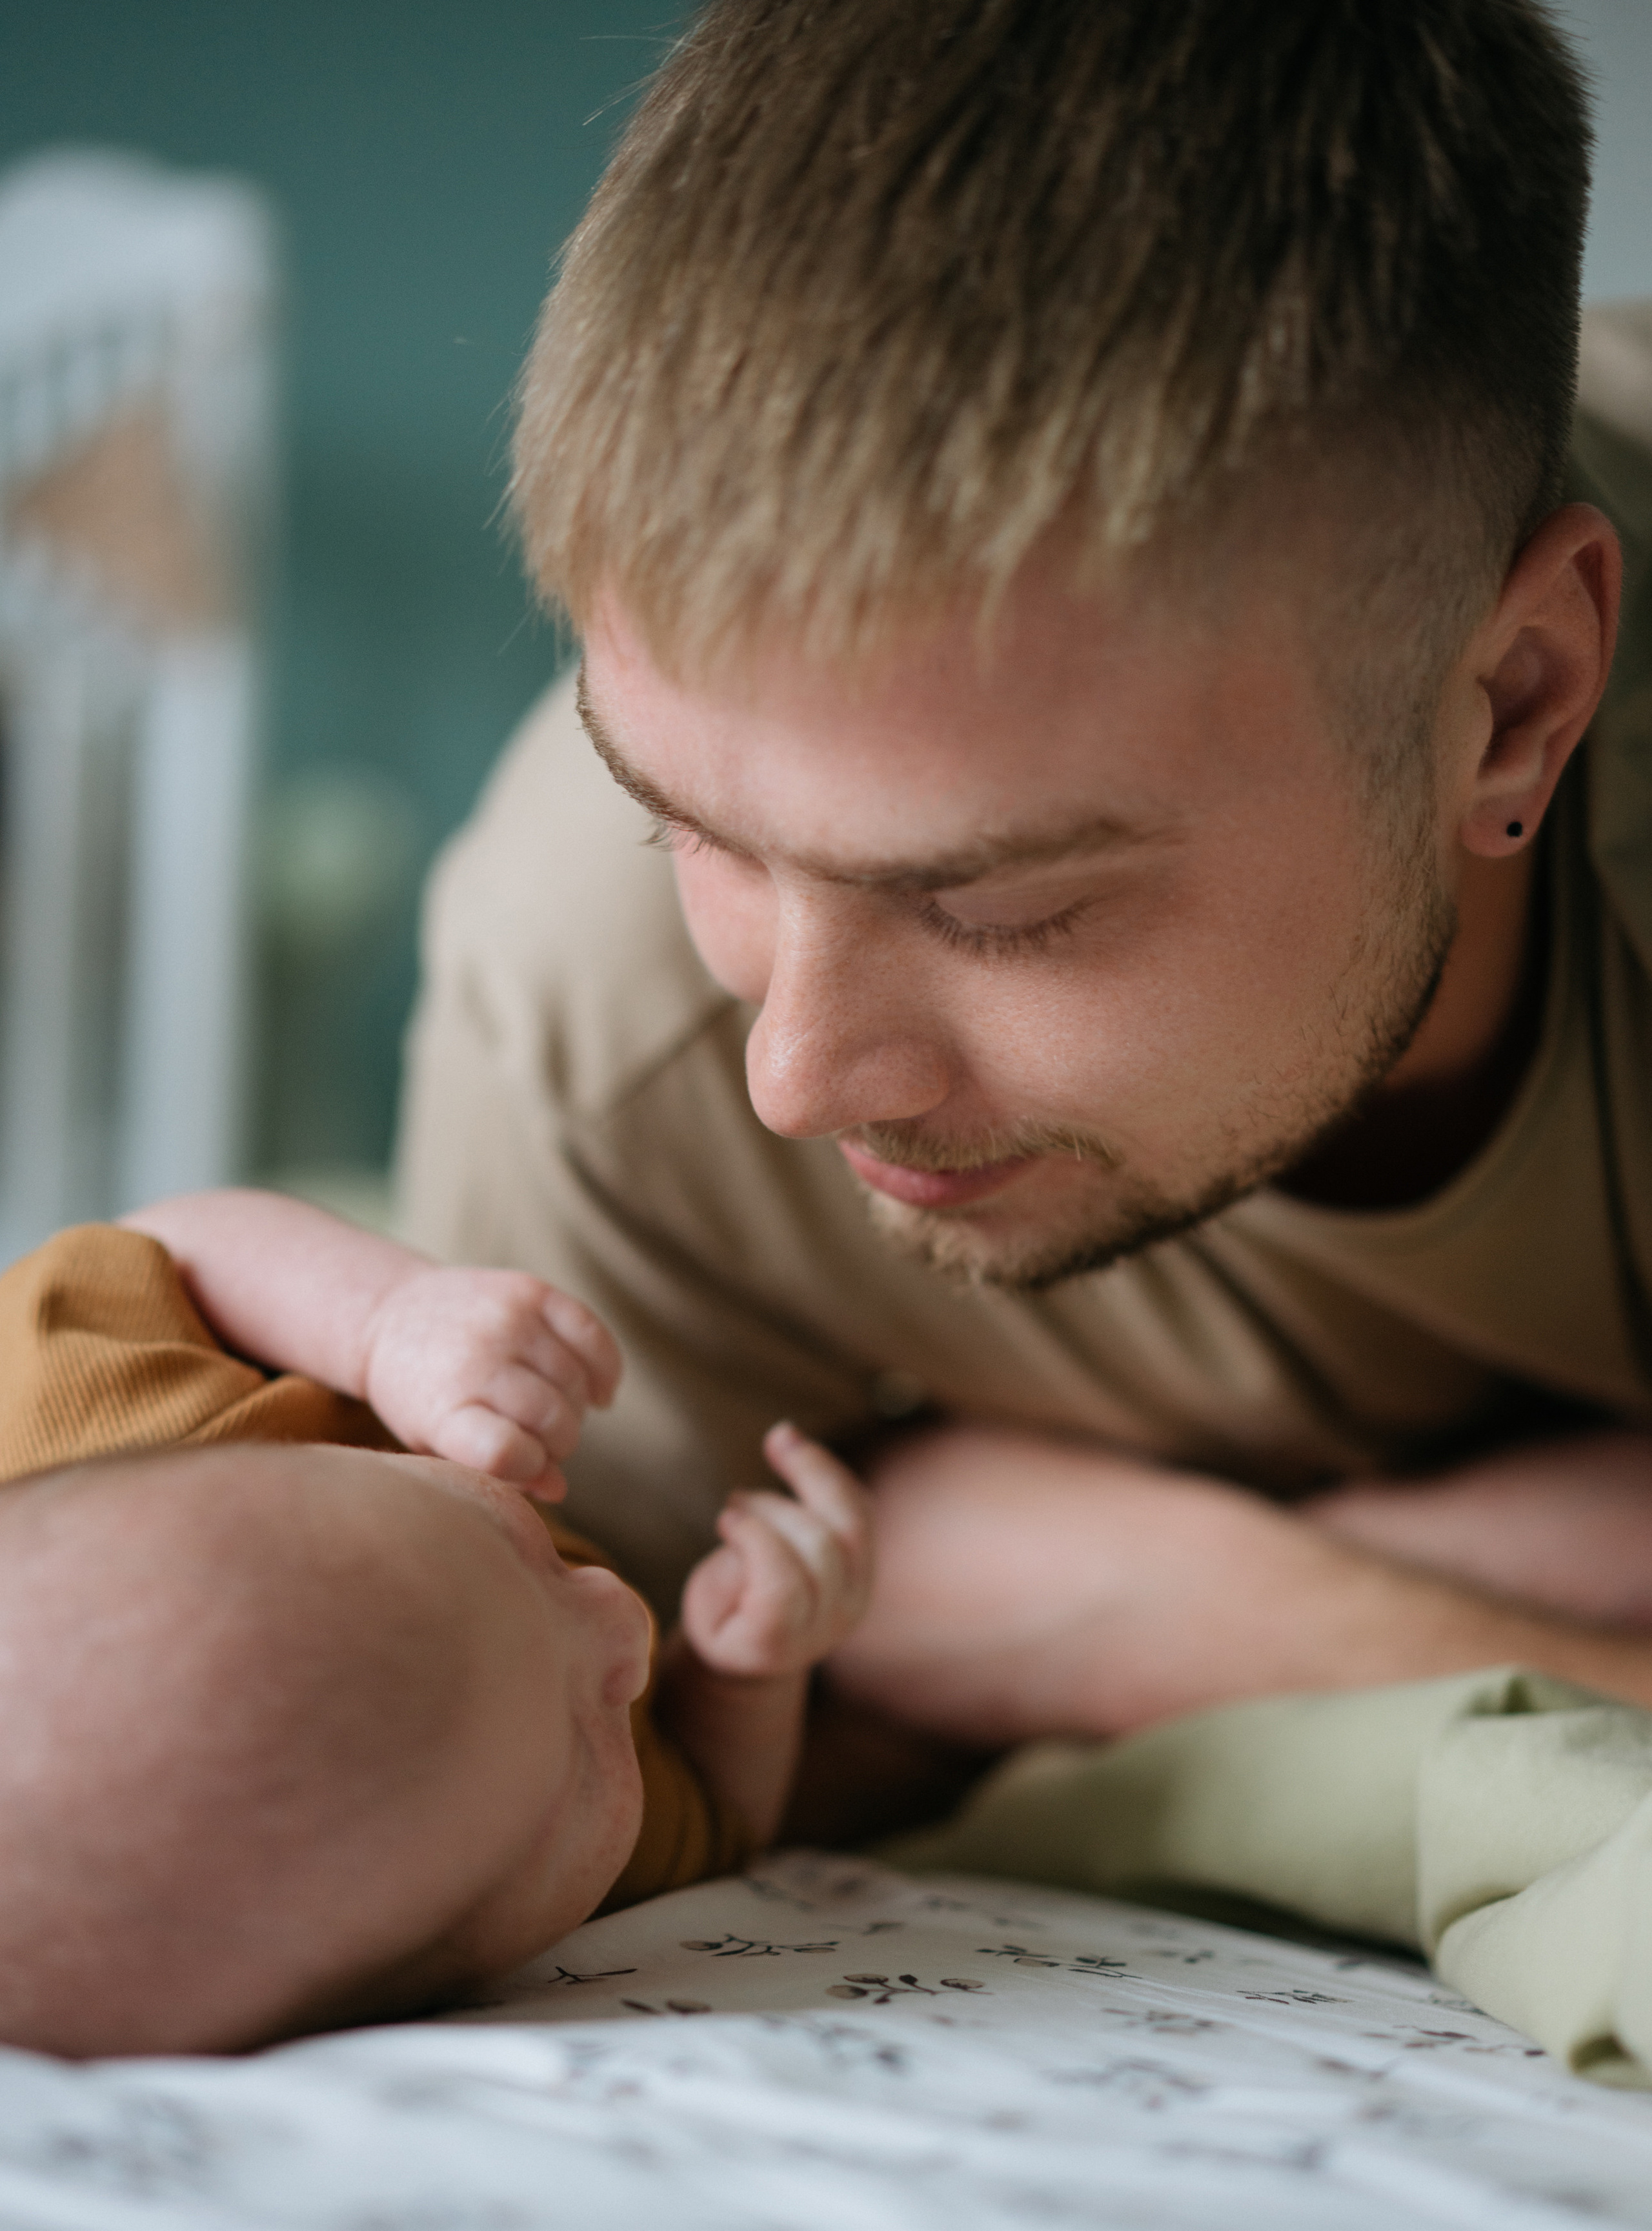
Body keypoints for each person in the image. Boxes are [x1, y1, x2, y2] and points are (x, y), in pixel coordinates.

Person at [399, 0, 1652, 1769]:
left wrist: (1216, 1615)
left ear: (1514, 705)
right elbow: (577, 1786)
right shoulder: (594, 997)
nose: (796, 1079)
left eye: (998, 908)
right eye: (687, 820)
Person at [0, 1195, 869, 2054]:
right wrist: (741, 1676)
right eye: (588, 1750)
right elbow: (720, 1820)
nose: (624, 1623)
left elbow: (162, 1244)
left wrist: (385, 1319)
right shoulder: (576, 1872)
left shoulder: (92, 1395)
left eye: (512, 1541)